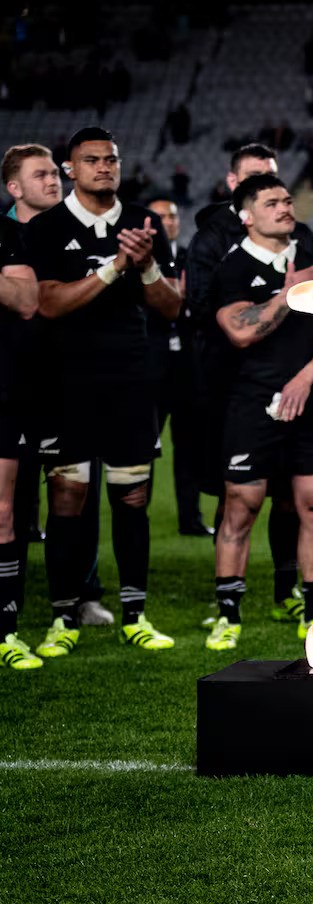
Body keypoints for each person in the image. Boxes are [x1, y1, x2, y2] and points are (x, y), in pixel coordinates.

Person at [28, 127, 182, 652]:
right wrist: (117, 267)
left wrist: (147, 265)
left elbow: (170, 306)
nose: (103, 167)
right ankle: (63, 619)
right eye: (91, 160)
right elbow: (48, 303)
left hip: (131, 377)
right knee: (68, 497)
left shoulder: (145, 222)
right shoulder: (47, 228)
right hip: (68, 380)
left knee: (132, 496)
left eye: (110, 159)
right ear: (70, 169)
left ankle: (135, 615)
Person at [187, 143, 313, 629]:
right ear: (247, 217)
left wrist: (306, 378)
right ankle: (228, 616)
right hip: (249, 401)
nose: (285, 208)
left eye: (287, 201)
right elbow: (241, 331)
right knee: (241, 505)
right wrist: (290, 294)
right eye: (272, 204)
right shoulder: (232, 267)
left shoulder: (312, 252)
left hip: (309, 396)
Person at [3, 144, 113, 630]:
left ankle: (81, 595)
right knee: (16, 499)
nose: (54, 180)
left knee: (77, 495)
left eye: (55, 173)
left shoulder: (77, 231)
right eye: (41, 174)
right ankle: (14, 598)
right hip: (13, 385)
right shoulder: (8, 235)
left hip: (70, 381)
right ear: (14, 187)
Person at [145, 197, 207, 535]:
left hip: (186, 367)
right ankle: (139, 514)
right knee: (145, 446)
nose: (167, 220)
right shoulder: (140, 260)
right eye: (159, 216)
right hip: (151, 367)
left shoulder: (190, 257)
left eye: (171, 215)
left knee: (189, 447)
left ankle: (191, 518)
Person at [0, 195, 40, 669]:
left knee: (4, 512)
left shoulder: (10, 234)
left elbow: (28, 301)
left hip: (4, 392)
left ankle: (6, 631)